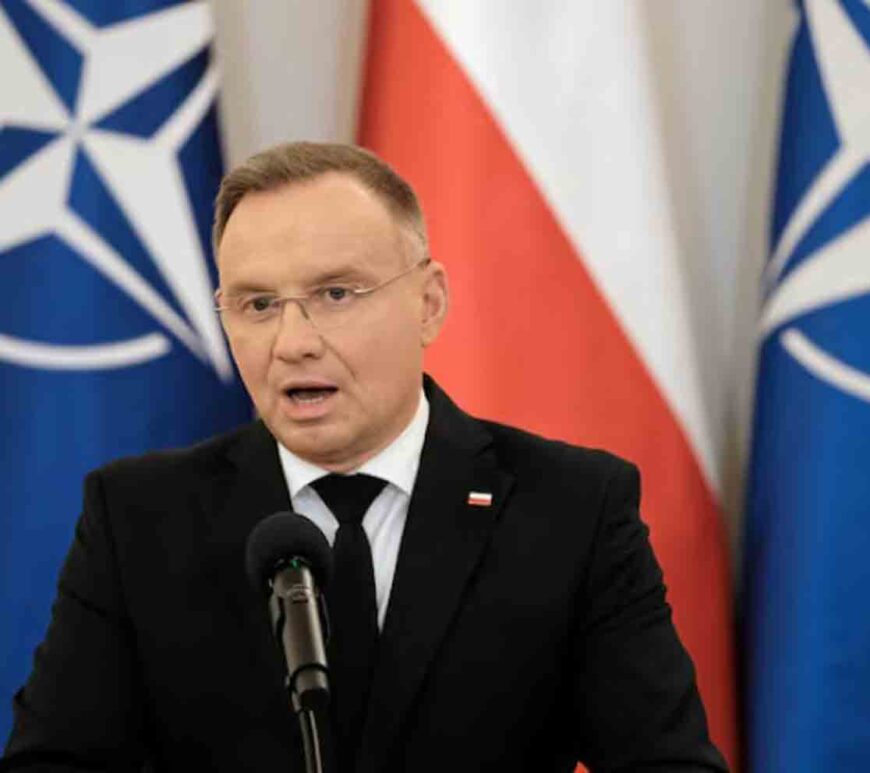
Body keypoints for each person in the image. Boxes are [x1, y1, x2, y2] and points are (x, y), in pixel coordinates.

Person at [3, 142, 728, 772]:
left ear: (429, 302)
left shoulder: (571, 509)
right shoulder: (138, 519)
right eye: (257, 305)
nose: (292, 342)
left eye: (335, 293)